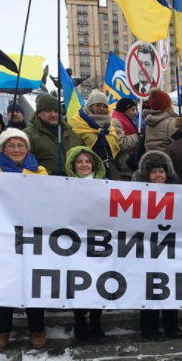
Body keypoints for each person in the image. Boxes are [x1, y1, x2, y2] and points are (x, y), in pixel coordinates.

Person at [0, 129, 48, 350]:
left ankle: (37, 329)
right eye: (11, 145)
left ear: (27, 148)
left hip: (33, 237)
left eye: (20, 145)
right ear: (3, 149)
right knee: (3, 282)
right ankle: (2, 331)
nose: (16, 149)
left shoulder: (40, 172)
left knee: (33, 283)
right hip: (3, 239)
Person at [132, 150, 182, 340]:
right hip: (146, 248)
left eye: (161, 171)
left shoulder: (178, 193)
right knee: (149, 288)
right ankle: (149, 328)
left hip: (169, 247)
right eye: (153, 172)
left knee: (170, 286)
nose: (158, 175)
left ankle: (172, 326)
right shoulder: (135, 194)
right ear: (146, 174)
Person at [64, 146, 108, 342]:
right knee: (78, 283)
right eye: (79, 161)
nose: (84, 165)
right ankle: (80, 323)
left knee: (98, 282)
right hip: (74, 243)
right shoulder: (62, 186)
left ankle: (96, 323)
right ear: (72, 164)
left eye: (88, 161)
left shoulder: (106, 185)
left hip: (99, 242)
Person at [24, 94, 84, 174]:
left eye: (56, 111)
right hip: (44, 180)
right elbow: (24, 162)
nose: (53, 114)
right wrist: (49, 174)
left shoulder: (73, 134)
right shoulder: (28, 135)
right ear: (38, 113)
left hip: (73, 180)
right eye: (48, 111)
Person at [69, 89, 122, 179]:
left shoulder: (109, 125)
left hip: (110, 170)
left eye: (105, 106)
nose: (102, 109)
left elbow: (114, 147)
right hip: (86, 171)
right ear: (90, 106)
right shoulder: (76, 123)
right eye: (98, 105)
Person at [110, 97, 140, 180]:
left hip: (127, 163)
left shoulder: (128, 120)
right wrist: (137, 136)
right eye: (133, 110)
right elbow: (121, 144)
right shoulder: (115, 121)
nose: (135, 113)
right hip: (123, 165)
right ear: (125, 109)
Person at [144, 88, 177, 153]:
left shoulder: (148, 123)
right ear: (167, 107)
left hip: (150, 157)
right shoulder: (170, 123)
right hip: (166, 158)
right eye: (170, 104)